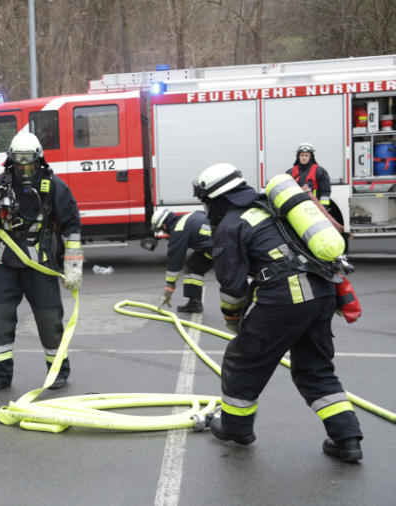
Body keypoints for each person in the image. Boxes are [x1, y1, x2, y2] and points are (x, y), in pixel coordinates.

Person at [193, 163, 363, 462]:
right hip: (323, 292)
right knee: (315, 368)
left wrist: (233, 320)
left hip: (286, 299)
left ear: (215, 199)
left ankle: (235, 427)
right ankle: (347, 439)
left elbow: (232, 286)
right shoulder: (272, 208)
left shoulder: (231, 225)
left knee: (243, 361)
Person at [0, 132, 83, 394]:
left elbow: (72, 225)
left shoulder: (54, 186)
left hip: (40, 262)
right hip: (5, 262)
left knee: (49, 318)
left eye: (29, 164)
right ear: (12, 161)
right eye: (20, 165)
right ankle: (0, 374)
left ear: (38, 159)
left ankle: (58, 371)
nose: (25, 170)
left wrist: (73, 264)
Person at [151, 208, 213, 313]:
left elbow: (174, 263)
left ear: (165, 226)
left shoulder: (178, 230)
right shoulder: (188, 217)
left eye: (161, 230)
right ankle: (194, 302)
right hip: (222, 243)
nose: (164, 233)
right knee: (194, 263)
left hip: (221, 248)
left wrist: (168, 292)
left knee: (232, 278)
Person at [287, 143, 331, 209]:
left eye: (306, 155)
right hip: (295, 209)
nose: (304, 158)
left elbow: (325, 192)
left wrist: (323, 208)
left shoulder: (319, 171)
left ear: (311, 157)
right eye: (302, 155)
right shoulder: (290, 172)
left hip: (314, 209)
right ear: (298, 156)